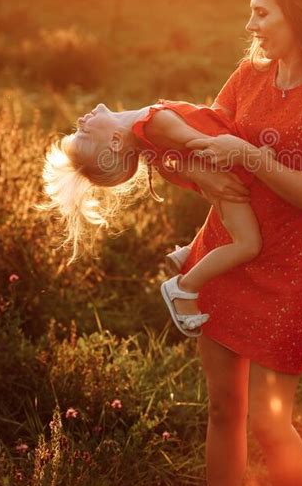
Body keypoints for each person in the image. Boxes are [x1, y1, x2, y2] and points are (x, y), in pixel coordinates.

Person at [41, 0, 302, 486]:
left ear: (297, 14)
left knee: (272, 425)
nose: (250, 26)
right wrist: (165, 159)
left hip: (288, 272)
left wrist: (248, 152)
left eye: (260, 12)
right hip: (224, 256)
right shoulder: (249, 76)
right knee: (224, 411)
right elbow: (208, 156)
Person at [40, 95, 275, 336]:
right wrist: (254, 155)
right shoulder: (153, 124)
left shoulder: (143, 129)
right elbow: (210, 145)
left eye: (78, 129)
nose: (80, 120)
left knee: (236, 228)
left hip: (219, 171)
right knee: (248, 244)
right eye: (84, 132)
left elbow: (169, 154)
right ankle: (183, 288)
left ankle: (193, 250)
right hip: (226, 173)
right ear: (115, 141)